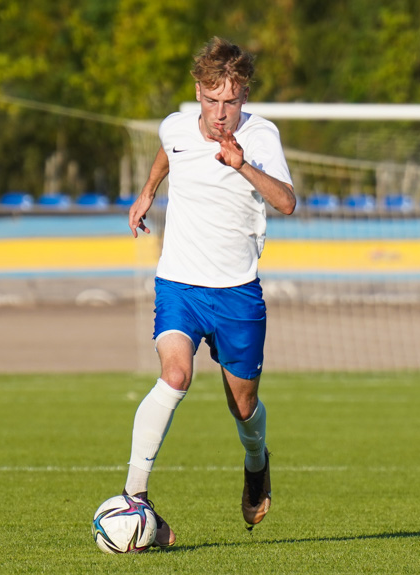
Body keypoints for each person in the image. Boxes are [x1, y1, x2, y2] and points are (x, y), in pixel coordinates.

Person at [123, 36, 296, 546]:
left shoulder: (261, 138)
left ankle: (256, 462)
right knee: (175, 375)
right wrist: (147, 192)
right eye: (213, 99)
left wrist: (240, 163)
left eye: (233, 101)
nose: (222, 113)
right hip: (179, 282)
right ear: (198, 91)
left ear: (245, 98)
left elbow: (287, 202)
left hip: (237, 292)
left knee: (243, 407)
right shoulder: (176, 127)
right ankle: (136, 494)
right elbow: (167, 152)